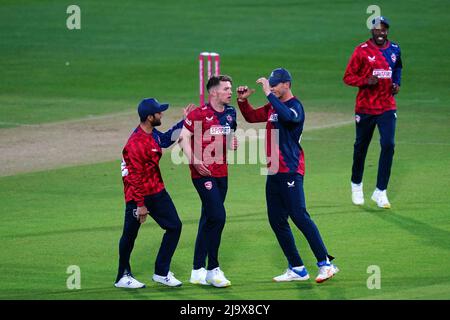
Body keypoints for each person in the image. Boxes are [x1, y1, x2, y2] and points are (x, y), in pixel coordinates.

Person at [236, 68, 339, 283]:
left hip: (290, 168)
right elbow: (252, 117)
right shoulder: (274, 106)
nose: (272, 86)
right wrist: (243, 101)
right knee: (276, 220)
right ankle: (298, 268)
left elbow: (288, 118)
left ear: (287, 84)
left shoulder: (295, 106)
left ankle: (325, 264)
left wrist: (268, 94)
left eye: (275, 83)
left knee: (299, 215)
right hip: (273, 170)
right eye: (270, 83)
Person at [114, 98, 195, 289]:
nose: (161, 114)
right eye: (159, 113)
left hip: (157, 191)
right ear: (150, 117)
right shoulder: (135, 143)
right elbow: (134, 177)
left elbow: (166, 139)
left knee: (174, 227)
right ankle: (122, 276)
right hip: (138, 195)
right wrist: (140, 205)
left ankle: (161, 272)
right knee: (130, 235)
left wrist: (185, 121)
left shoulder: (152, 134)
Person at [178, 75, 238, 288]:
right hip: (203, 173)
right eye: (226, 89)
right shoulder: (199, 114)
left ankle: (196, 270)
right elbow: (183, 137)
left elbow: (229, 133)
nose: (230, 92)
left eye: (230, 88)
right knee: (218, 216)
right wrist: (194, 161)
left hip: (222, 172)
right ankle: (213, 268)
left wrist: (231, 142)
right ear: (213, 92)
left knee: (208, 218)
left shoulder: (231, 112)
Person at [343, 16, 403, 209]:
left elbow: (398, 67)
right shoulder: (361, 51)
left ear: (387, 31)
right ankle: (356, 184)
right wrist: (365, 81)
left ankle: (380, 191)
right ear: (372, 31)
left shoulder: (394, 49)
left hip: (387, 106)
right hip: (365, 108)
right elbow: (348, 77)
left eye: (384, 29)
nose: (380, 33)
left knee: (388, 145)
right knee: (361, 147)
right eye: (377, 29)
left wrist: (397, 84)